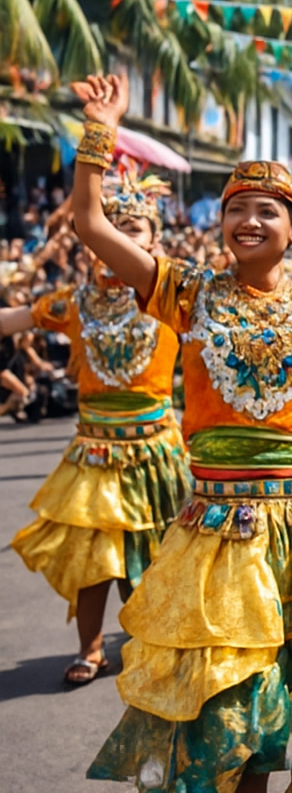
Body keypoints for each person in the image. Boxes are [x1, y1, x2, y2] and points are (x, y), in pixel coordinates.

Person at [71, 74, 292, 793]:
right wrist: (99, 134)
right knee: (238, 690)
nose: (246, 220)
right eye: (235, 208)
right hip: (224, 526)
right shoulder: (185, 291)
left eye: (265, 210)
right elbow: (90, 223)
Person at [6, 173, 189, 685]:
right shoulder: (75, 303)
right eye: (112, 227)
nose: (122, 238)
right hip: (94, 451)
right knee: (94, 558)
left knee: (159, 556)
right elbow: (14, 320)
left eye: (134, 229)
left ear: (155, 242)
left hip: (157, 450)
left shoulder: (175, 297)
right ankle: (91, 647)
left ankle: (154, 639)